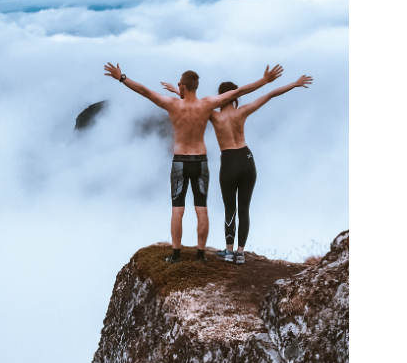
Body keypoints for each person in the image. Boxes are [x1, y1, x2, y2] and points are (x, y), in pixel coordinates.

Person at [104, 62, 284, 263]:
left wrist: (122, 78)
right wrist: (264, 81)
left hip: (180, 160)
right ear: (196, 86)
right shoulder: (207, 105)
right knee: (202, 209)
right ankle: (201, 254)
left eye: (179, 84)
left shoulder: (172, 104)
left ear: (182, 86)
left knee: (177, 210)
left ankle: (176, 253)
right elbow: (239, 91)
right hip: (201, 160)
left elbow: (145, 91)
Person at [161, 72, 313, 264]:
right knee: (244, 209)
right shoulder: (243, 112)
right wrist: (294, 83)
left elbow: (193, 106)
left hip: (230, 161)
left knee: (230, 208)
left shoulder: (214, 116)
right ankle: (240, 253)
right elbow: (270, 94)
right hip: (247, 159)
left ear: (222, 96)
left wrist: (178, 91)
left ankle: (229, 250)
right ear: (235, 96)